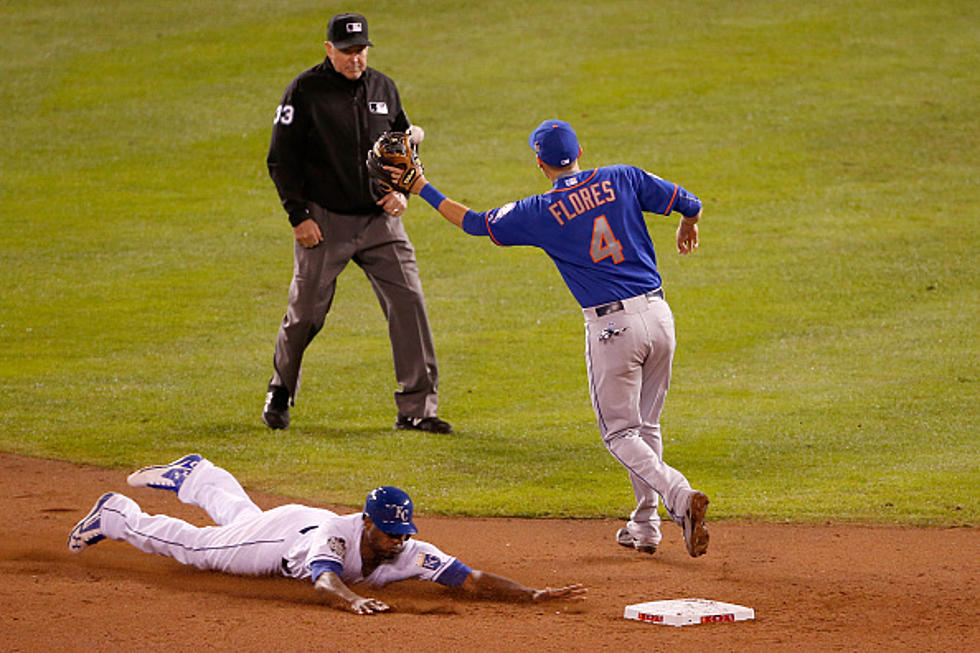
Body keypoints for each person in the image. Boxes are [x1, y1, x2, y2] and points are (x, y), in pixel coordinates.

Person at [377, 120, 710, 557]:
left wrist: (422, 187)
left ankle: (679, 497)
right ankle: (645, 525)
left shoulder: (542, 209)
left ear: (540, 162)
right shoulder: (622, 176)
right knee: (646, 425)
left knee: (620, 434)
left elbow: (476, 224)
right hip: (660, 317)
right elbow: (692, 203)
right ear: (581, 152)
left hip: (614, 329)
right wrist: (689, 223)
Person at [67, 454, 586, 614]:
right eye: (388, 533)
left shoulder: (408, 549)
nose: (398, 542)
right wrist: (352, 602)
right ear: (367, 523)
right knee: (200, 550)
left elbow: (469, 579)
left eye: (402, 533)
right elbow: (323, 581)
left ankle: (199, 476)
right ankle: (118, 517)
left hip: (290, 524)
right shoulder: (337, 537)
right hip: (287, 535)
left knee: (239, 517)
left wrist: (531, 594)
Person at [263, 12, 450, 433]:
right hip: (324, 222)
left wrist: (400, 190)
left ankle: (418, 409)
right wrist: (299, 216)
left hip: (379, 223)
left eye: (361, 49)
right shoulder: (305, 91)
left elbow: (402, 146)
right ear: (329, 49)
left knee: (409, 304)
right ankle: (280, 388)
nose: (355, 58)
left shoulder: (383, 87)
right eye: (346, 51)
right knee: (306, 313)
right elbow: (281, 159)